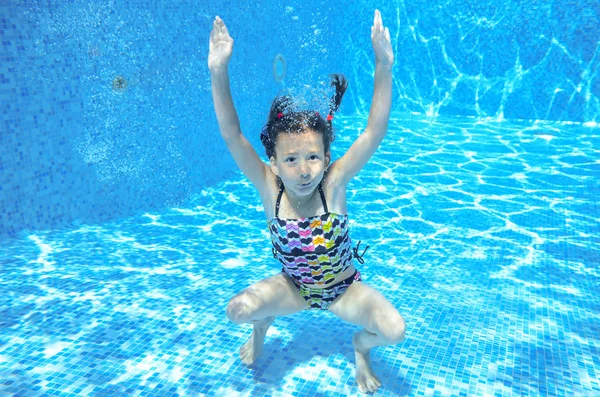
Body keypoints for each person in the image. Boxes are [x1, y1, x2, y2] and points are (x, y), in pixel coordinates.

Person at [209, 10, 405, 394]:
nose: (303, 170)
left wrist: (383, 65)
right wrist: (218, 71)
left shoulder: (334, 183)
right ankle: (263, 322)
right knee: (238, 310)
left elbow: (374, 131)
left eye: (313, 157)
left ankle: (360, 349)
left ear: (327, 159)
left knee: (394, 330)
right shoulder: (270, 187)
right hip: (294, 288)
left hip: (343, 289)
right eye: (292, 160)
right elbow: (233, 136)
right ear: (275, 164)